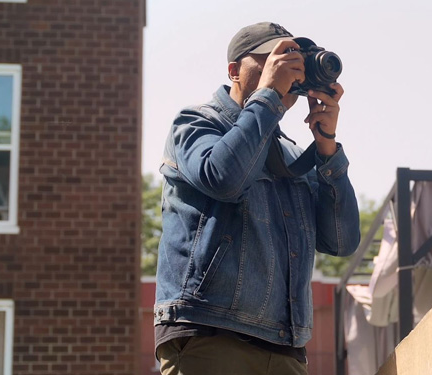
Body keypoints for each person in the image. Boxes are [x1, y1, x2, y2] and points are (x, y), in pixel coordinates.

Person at [154, 22, 360, 375]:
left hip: (285, 347)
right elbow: (224, 180)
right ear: (234, 70)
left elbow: (341, 241)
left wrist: (326, 146)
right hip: (210, 335)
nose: (284, 69)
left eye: (294, 61)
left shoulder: (292, 156)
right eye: (271, 60)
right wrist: (267, 96)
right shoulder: (196, 123)